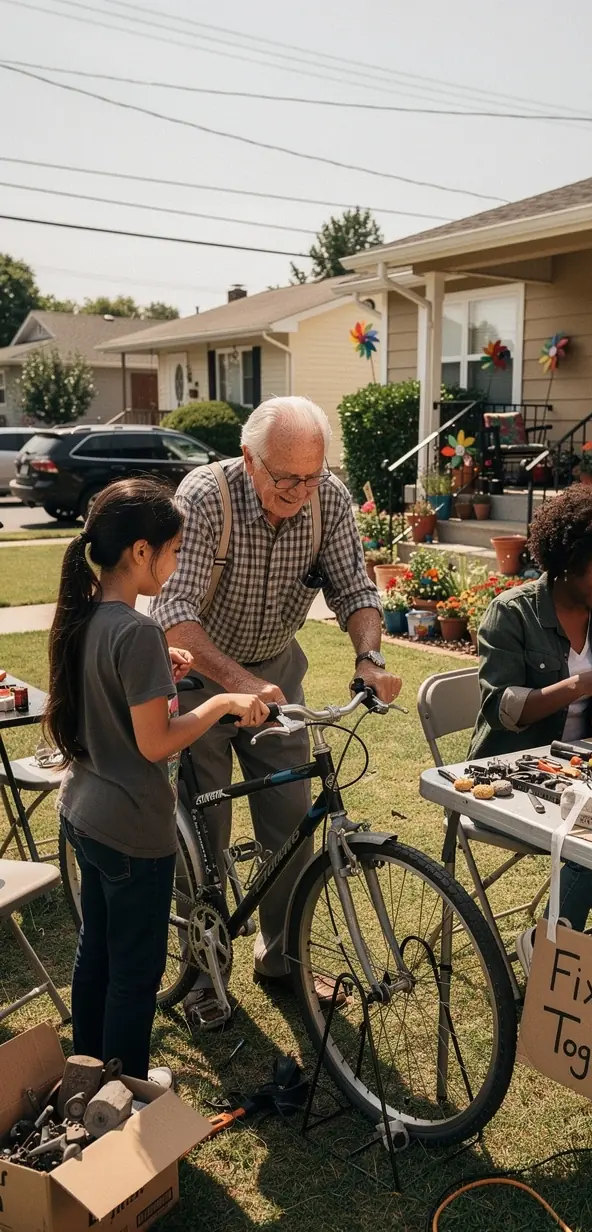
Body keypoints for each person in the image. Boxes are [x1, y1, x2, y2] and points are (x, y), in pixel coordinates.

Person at [150, 396, 402, 1022]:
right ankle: (202, 969)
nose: (299, 489)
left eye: (311, 475)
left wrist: (368, 657)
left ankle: (281, 958)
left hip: (275, 671)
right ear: (248, 458)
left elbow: (354, 586)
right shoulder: (206, 497)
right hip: (195, 676)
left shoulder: (329, 498)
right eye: (284, 476)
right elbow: (174, 615)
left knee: (291, 821)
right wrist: (238, 685)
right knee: (201, 826)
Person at [46, 478, 269, 1079]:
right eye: (172, 550)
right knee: (135, 971)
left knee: (95, 951)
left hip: (84, 814)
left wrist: (161, 674)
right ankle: (121, 1091)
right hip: (131, 831)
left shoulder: (88, 613)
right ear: (141, 552)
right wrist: (223, 703)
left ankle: (87, 1068)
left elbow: (114, 695)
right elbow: (156, 742)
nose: (177, 562)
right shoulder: (139, 631)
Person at [470, 483, 592, 974]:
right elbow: (502, 709)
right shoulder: (512, 613)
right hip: (511, 773)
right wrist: (580, 683)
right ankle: (552, 940)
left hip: (586, 767)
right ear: (569, 559)